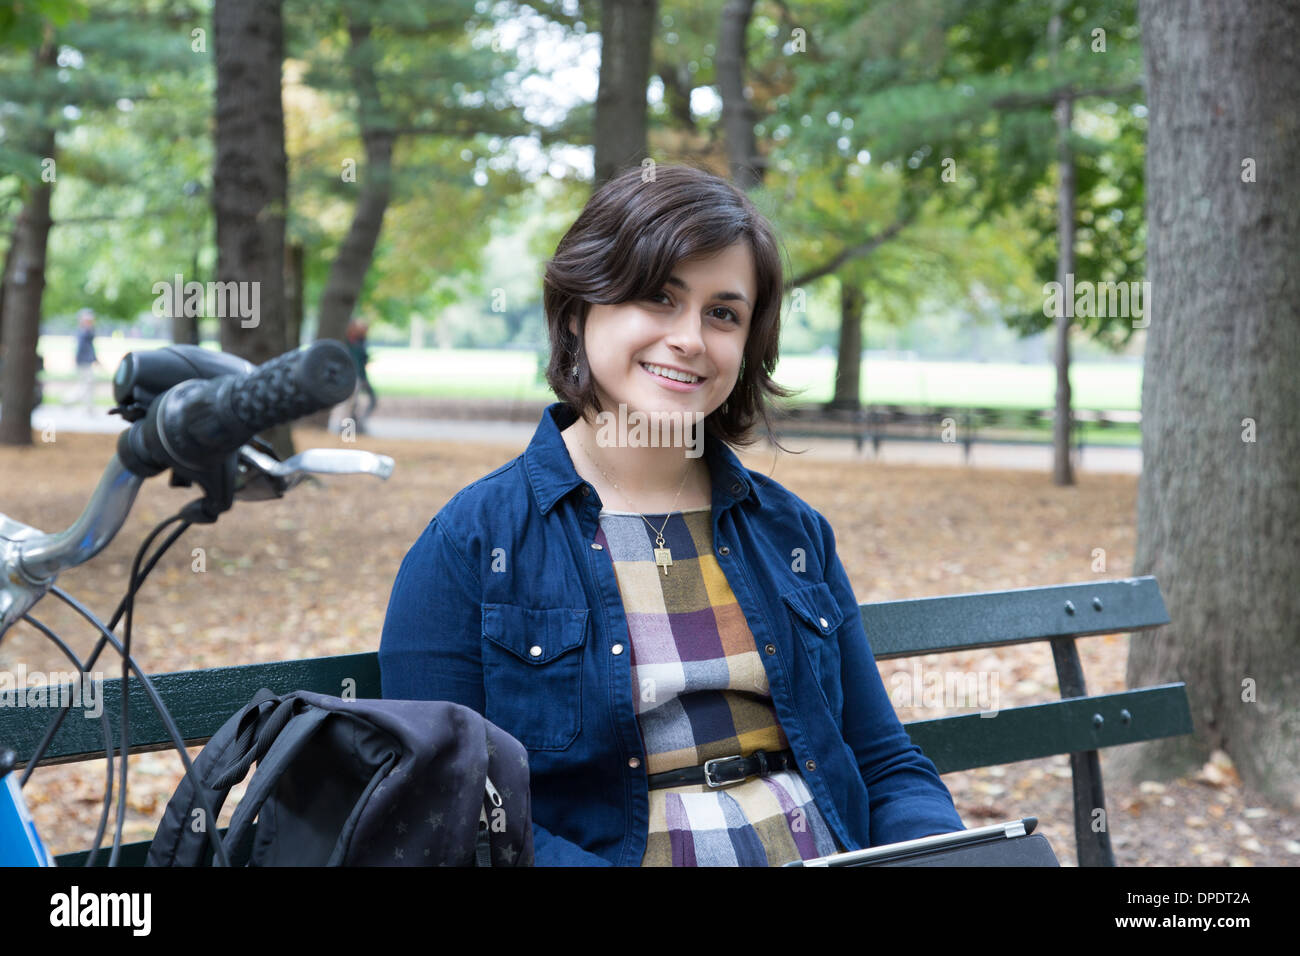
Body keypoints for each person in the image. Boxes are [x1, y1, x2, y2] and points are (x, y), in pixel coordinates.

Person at [379, 164, 965, 866]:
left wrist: (938, 854)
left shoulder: (791, 532)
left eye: (723, 313)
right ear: (577, 312)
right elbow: (446, 807)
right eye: (659, 297)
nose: (690, 338)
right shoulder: (472, 545)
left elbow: (884, 760)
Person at [333, 318, 376, 434]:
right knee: (348, 404)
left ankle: (350, 428)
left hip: (357, 376)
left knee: (353, 404)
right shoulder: (348, 343)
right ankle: (346, 430)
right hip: (349, 376)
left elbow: (361, 361)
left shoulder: (358, 342)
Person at [70, 309, 98, 415]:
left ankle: (88, 407)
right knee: (86, 385)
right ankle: (68, 400)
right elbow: (82, 348)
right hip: (83, 362)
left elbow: (90, 348)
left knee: (87, 385)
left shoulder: (88, 332)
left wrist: (95, 359)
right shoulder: (84, 332)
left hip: (86, 362)